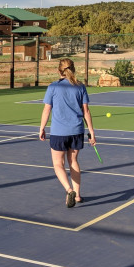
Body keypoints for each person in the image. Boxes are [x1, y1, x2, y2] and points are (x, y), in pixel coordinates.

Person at [39, 58, 96, 208]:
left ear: (59, 71)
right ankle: (77, 195)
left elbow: (46, 109)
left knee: (58, 164)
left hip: (59, 132)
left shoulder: (53, 87)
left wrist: (41, 128)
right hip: (76, 131)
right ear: (74, 69)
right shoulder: (80, 87)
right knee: (74, 162)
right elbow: (86, 111)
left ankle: (69, 190)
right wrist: (91, 131)